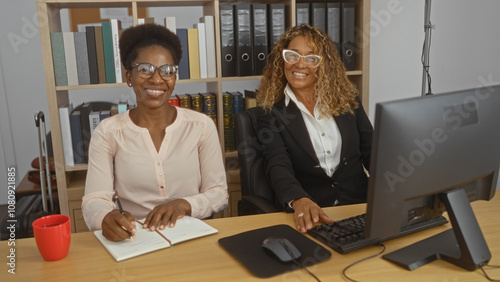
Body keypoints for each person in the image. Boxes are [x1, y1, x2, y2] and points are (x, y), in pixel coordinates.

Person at [82, 24, 228, 241]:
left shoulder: (201, 125)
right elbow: (94, 198)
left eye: (167, 70)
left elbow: (218, 192)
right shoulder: (108, 132)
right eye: (144, 69)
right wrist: (105, 216)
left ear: (175, 77)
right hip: (135, 237)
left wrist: (185, 204)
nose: (157, 79)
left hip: (191, 234)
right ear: (129, 76)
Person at [257, 24, 373, 233]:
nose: (300, 65)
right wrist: (299, 200)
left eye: (311, 58)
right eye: (293, 55)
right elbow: (278, 165)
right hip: (312, 215)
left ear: (324, 65)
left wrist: (396, 184)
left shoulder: (348, 101)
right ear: (282, 59)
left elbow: (372, 151)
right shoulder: (272, 114)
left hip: (360, 209)